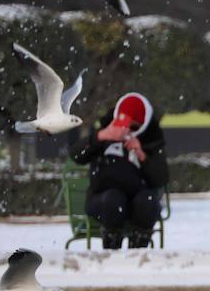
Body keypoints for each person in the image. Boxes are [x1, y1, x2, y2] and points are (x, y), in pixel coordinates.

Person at [70, 92, 168, 248]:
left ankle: (139, 249)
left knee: (147, 201)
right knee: (113, 199)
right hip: (105, 200)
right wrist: (101, 136)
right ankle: (111, 247)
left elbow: (161, 178)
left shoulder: (151, 141)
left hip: (138, 203)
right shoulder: (104, 134)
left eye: (133, 126)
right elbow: (76, 155)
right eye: (125, 125)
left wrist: (142, 155)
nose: (127, 130)